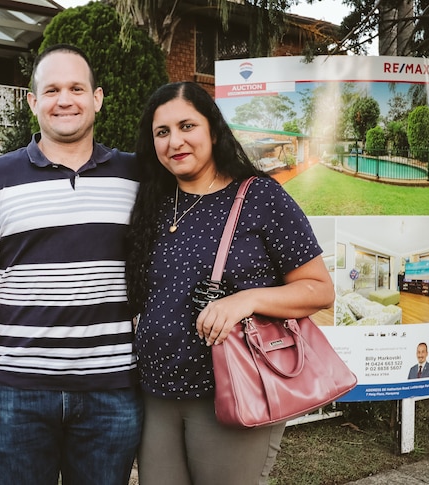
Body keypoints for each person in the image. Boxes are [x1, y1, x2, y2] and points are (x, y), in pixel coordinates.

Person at [125, 81, 336, 484]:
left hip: (231, 391)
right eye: (162, 132)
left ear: (214, 131)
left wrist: (246, 300)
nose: (175, 141)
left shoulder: (261, 197)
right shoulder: (152, 204)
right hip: (156, 395)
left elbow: (319, 289)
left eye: (188, 126)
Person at [0, 44, 142, 485]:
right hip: (17, 394)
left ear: (97, 98)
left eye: (77, 88)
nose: (65, 99)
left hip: (110, 392)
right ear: (33, 101)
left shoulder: (136, 177)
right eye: (52, 89)